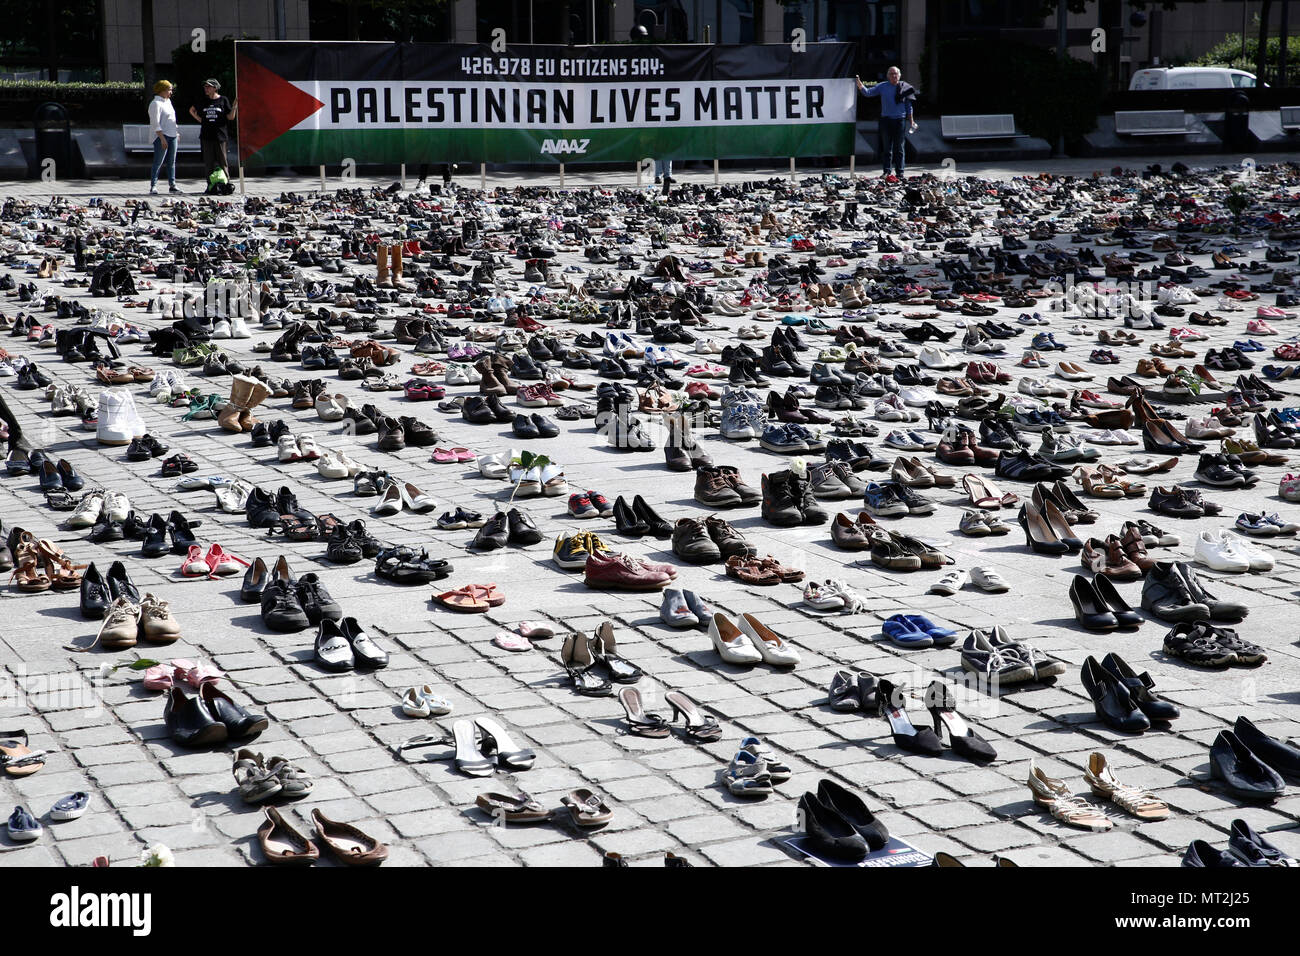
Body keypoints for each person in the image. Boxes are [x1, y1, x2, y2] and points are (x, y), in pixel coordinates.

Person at [856, 67, 918, 180]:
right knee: (886, 148)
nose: (894, 76)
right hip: (886, 120)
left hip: (900, 120)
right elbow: (868, 93)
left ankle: (900, 172)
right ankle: (886, 171)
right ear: (888, 76)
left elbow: (909, 107)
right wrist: (860, 85)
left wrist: (911, 121)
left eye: (896, 74)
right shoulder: (883, 86)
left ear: (899, 75)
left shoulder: (905, 87)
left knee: (899, 147)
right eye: (891, 74)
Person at [188, 78, 237, 183]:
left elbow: (230, 117)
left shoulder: (223, 100)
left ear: (215, 88)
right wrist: (200, 119)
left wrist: (234, 107)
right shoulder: (203, 100)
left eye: (208, 86)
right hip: (206, 136)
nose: (206, 89)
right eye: (205, 87)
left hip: (220, 136)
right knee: (208, 163)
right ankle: (210, 185)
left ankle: (226, 183)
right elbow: (191, 110)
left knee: (222, 161)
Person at [148, 80, 180, 195]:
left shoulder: (168, 102)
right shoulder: (155, 103)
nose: (171, 92)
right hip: (162, 136)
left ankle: (172, 185)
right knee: (158, 162)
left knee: (172, 161)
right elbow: (155, 123)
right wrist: (162, 138)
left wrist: (176, 132)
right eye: (169, 89)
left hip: (172, 135)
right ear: (161, 90)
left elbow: (172, 118)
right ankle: (153, 186)